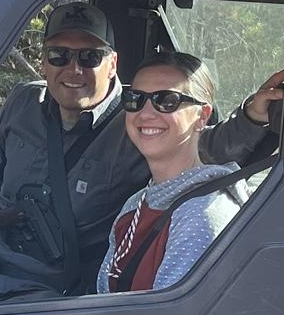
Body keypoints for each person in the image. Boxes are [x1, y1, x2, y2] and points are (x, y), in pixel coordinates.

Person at [0, 1, 284, 301]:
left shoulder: (139, 122)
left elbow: (201, 145)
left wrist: (253, 115)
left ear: (112, 63)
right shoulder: (23, 102)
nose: (74, 69)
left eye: (89, 56)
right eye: (59, 55)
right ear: (43, 61)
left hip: (49, 305)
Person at [98, 54, 247, 293]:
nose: (145, 113)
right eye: (135, 99)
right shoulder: (136, 204)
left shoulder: (203, 213)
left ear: (202, 116)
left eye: (167, 100)